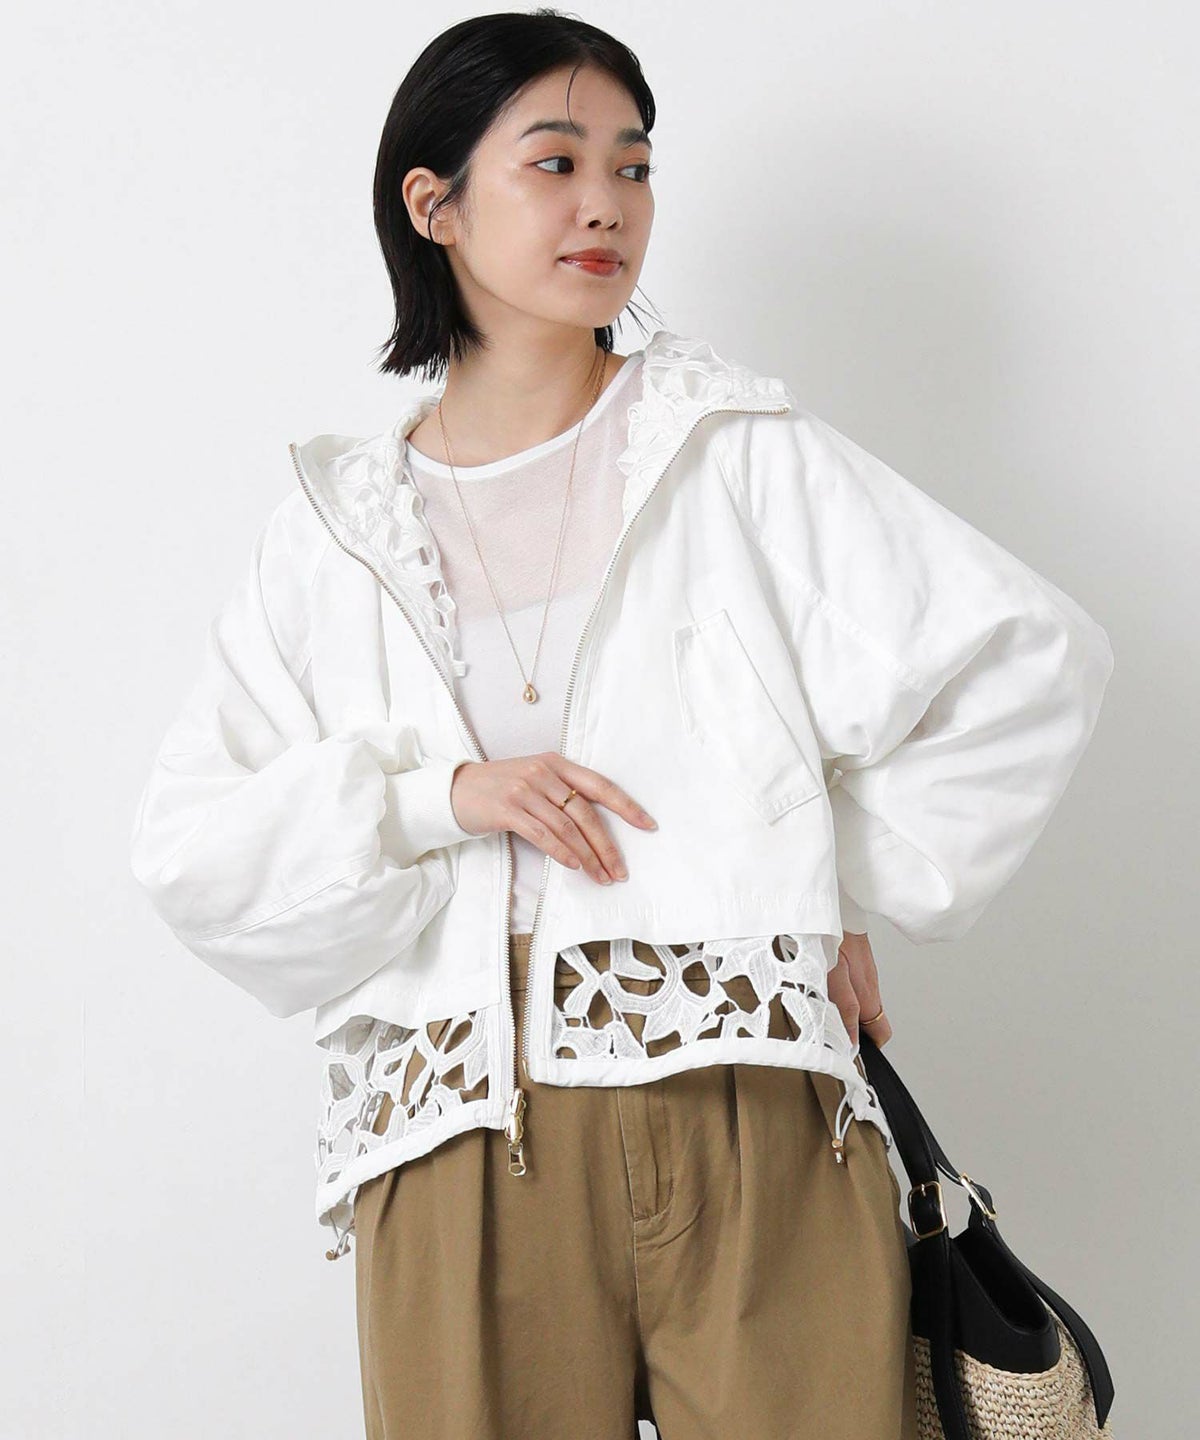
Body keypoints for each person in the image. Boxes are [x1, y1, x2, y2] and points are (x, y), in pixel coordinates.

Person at [129, 11, 1115, 1439]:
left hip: (748, 1111)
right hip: (464, 1139)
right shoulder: (332, 534)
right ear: (434, 204)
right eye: (556, 162)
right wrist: (440, 797)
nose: (606, 203)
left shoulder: (735, 455)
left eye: (633, 166)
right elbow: (192, 852)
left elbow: (1029, 659)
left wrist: (819, 877)